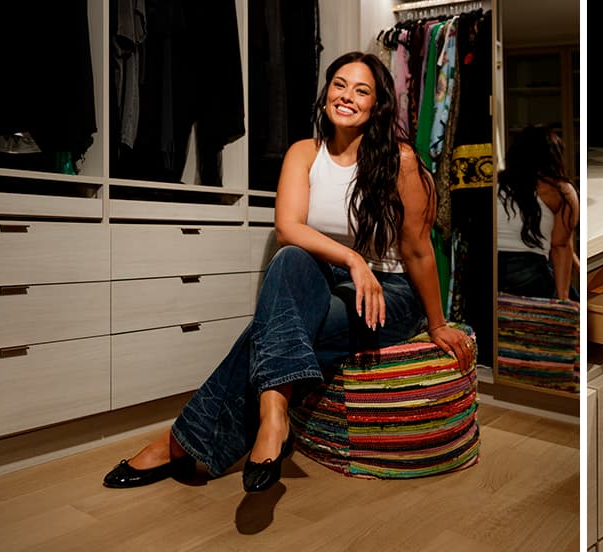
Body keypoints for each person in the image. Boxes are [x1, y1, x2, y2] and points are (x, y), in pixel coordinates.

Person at [102, 52, 475, 493]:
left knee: (271, 330)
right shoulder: (304, 153)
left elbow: (416, 250)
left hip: (389, 292)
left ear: (377, 106)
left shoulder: (400, 161)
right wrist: (353, 259)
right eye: (339, 85)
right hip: (336, 279)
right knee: (291, 258)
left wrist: (436, 322)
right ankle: (274, 415)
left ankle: (179, 443)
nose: (347, 97)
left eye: (361, 91)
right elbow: (288, 228)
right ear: (325, 94)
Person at [496, 125, 580, 300]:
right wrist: (563, 299)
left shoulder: (497, 182)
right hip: (527, 271)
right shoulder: (559, 190)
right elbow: (560, 246)